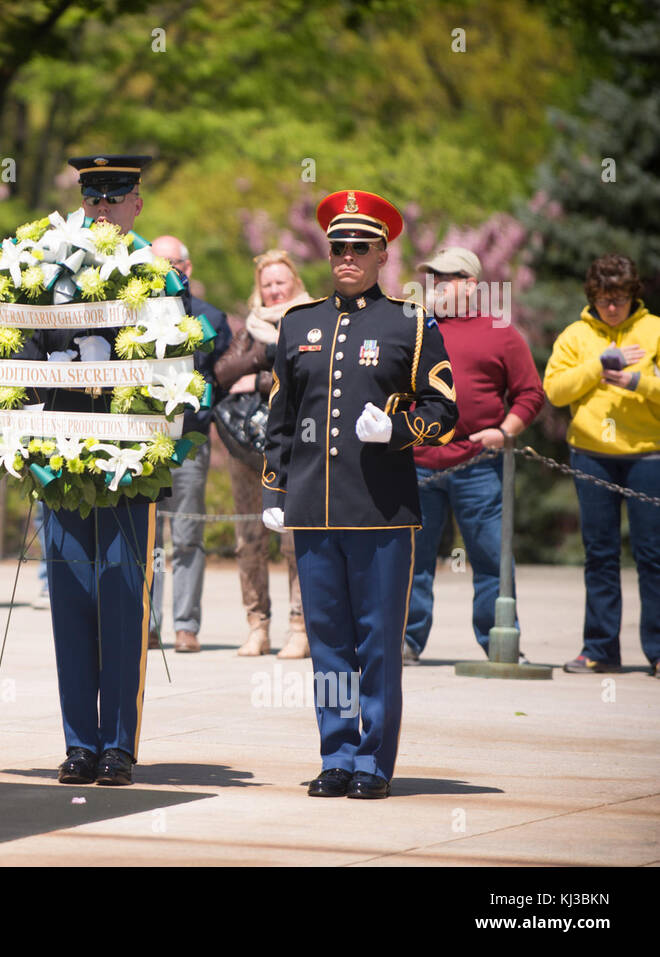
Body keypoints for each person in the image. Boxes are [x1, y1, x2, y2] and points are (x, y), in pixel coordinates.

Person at [262, 190, 458, 800]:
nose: (346, 257)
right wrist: (276, 485)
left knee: (376, 641)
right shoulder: (299, 323)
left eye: (359, 248)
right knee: (328, 644)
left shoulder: (410, 323)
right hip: (315, 510)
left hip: (380, 510)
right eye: (338, 247)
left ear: (382, 255)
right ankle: (338, 753)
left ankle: (373, 761)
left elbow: (445, 408)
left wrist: (397, 430)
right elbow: (281, 416)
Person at [25, 154, 180, 788]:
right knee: (70, 603)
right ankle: (78, 744)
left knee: (120, 601)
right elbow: (25, 348)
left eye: (115, 197)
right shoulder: (46, 270)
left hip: (126, 462)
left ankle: (117, 745)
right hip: (61, 457)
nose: (102, 208)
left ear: (137, 204)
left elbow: (176, 363)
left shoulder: (156, 275)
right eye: (93, 196)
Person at [405, 247, 545, 664]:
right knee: (413, 561)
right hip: (417, 464)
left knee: (489, 560)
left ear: (470, 284)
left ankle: (499, 643)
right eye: (434, 277)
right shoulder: (413, 328)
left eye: (446, 277)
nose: (437, 285)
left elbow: (530, 393)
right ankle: (406, 643)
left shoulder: (499, 331)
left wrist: (506, 432)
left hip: (479, 465)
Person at [544, 253, 660, 676]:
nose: (613, 307)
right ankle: (599, 649)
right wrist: (599, 365)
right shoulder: (575, 335)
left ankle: (658, 651)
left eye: (621, 299)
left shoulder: (654, 331)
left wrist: (636, 381)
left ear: (634, 294)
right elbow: (555, 390)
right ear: (593, 296)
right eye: (605, 299)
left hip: (649, 456)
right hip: (592, 457)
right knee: (601, 555)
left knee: (653, 556)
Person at [214, 249, 311, 658]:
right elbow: (221, 374)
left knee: (293, 538)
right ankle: (258, 625)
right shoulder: (251, 328)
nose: (273, 290)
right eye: (266, 284)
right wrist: (262, 359)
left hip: (292, 448)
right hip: (246, 449)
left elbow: (307, 377)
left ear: (294, 284)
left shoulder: (311, 320)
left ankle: (299, 627)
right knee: (248, 538)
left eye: (280, 283)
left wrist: (255, 379)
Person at [146, 235, 230, 653]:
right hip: (143, 443)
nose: (164, 273)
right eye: (155, 265)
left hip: (191, 443)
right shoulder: (134, 314)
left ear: (187, 267)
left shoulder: (212, 319)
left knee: (187, 536)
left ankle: (185, 626)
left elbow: (227, 378)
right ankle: (148, 623)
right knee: (147, 540)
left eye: (171, 265)